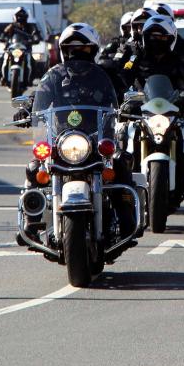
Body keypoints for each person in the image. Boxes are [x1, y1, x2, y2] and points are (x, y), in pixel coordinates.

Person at [12, 23, 137, 239]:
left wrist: (130, 105)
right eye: (71, 50)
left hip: (98, 138)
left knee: (120, 161)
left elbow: (123, 93)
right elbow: (39, 95)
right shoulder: (54, 77)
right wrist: (27, 109)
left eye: (84, 50)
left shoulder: (106, 74)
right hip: (62, 139)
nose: (77, 54)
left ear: (94, 50)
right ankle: (31, 222)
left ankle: (127, 220)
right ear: (63, 51)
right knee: (35, 168)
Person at [121, 15, 184, 196]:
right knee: (122, 136)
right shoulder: (137, 57)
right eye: (152, 37)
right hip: (142, 109)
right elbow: (123, 76)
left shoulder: (179, 60)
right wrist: (121, 95)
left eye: (162, 37)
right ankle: (122, 184)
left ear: (171, 39)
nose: (157, 41)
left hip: (171, 109)